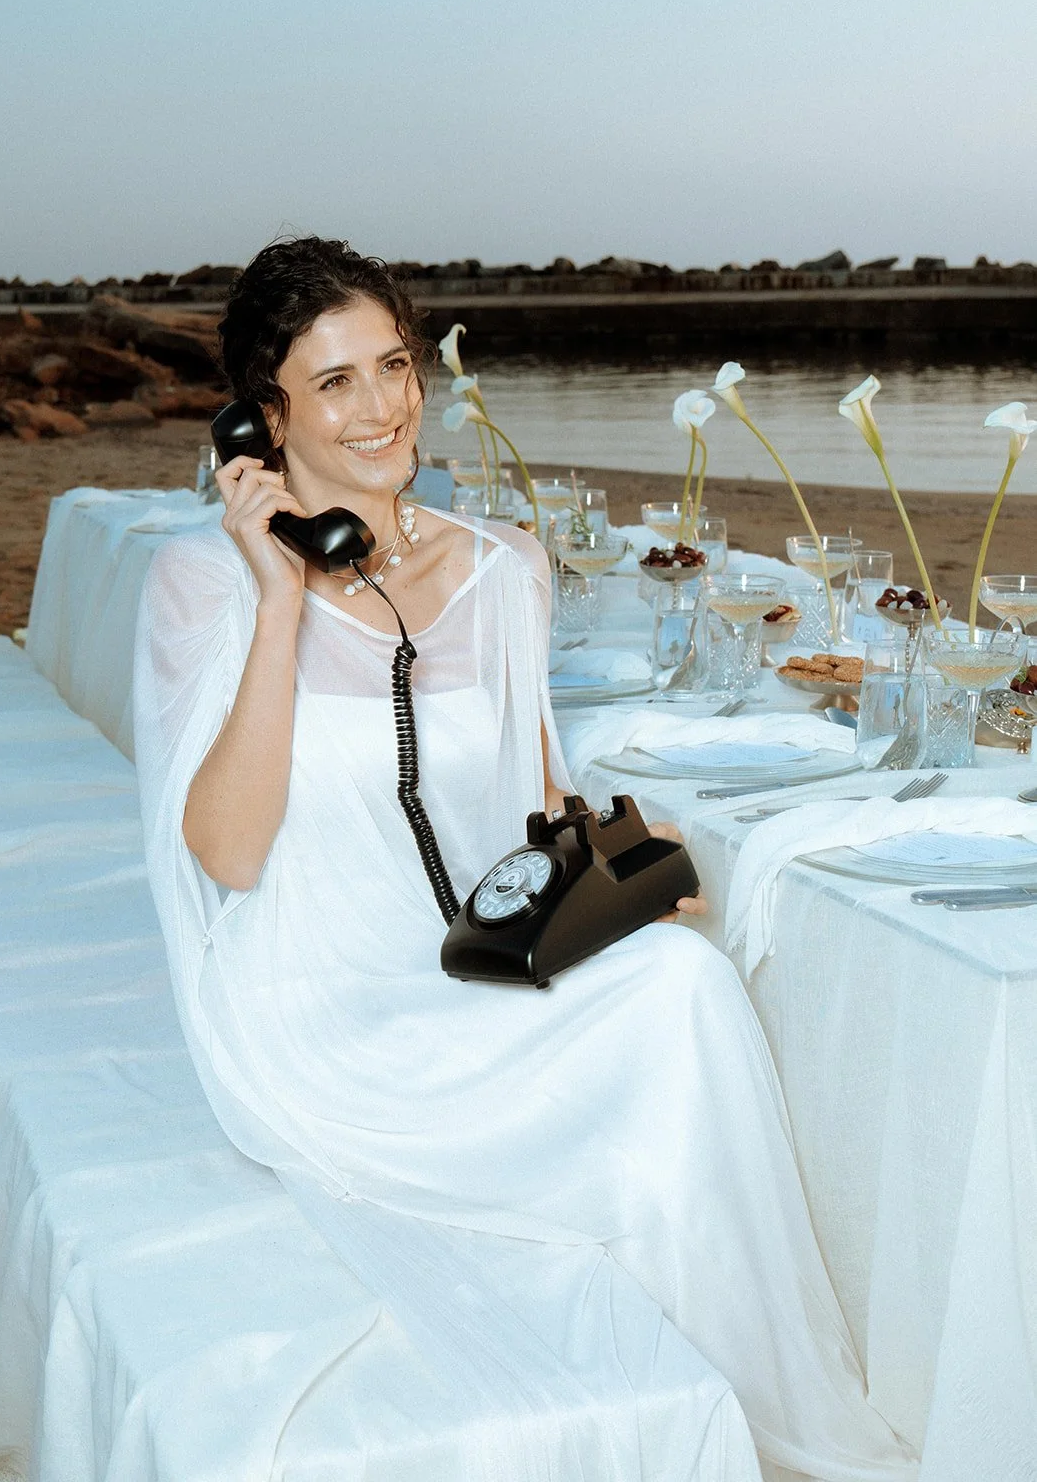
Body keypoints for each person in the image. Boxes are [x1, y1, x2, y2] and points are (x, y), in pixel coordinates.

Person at [133, 237, 915, 1481]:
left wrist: (618, 864)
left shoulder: (503, 567)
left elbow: (528, 799)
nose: (383, 405)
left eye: (393, 366)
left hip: (470, 967)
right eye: (333, 384)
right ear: (260, 420)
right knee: (663, 1045)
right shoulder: (199, 584)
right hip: (311, 1011)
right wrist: (279, 600)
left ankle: (766, 1420)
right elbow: (226, 853)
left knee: (683, 990)